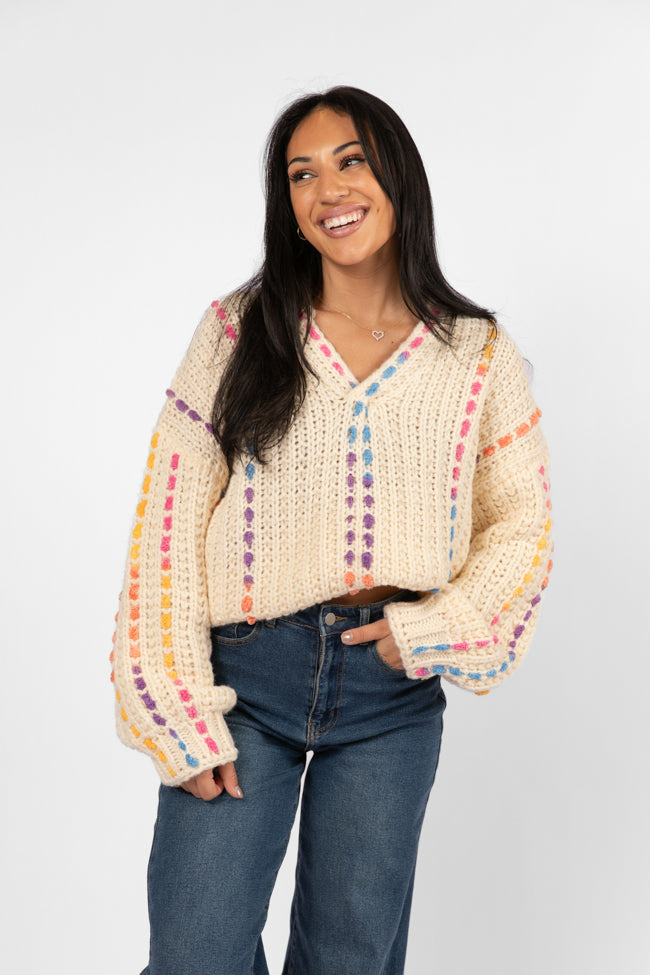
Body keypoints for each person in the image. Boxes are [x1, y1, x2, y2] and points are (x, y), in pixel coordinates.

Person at [110, 86, 552, 975]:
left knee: (351, 958)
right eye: (301, 174)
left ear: (397, 175)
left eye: (350, 161)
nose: (327, 190)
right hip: (244, 681)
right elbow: (168, 524)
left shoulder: (477, 353)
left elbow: (522, 528)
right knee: (195, 953)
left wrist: (433, 627)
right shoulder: (238, 330)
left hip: (389, 694)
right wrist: (177, 709)